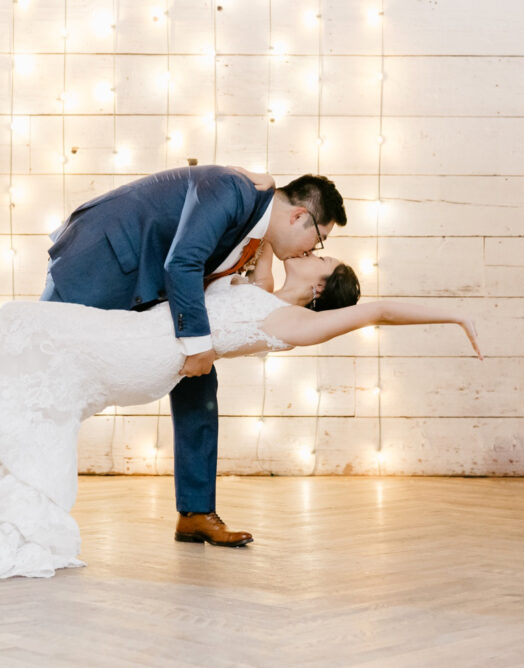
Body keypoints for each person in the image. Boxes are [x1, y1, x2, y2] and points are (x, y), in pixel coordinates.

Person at [0, 254, 482, 580]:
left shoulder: (296, 322)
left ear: (322, 290)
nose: (314, 252)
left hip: (141, 356)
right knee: (20, 358)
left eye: (322, 261)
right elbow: (263, 222)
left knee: (19, 324)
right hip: (131, 336)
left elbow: (375, 311)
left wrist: (456, 317)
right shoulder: (263, 282)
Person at [40, 164, 348, 548]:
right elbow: (183, 262)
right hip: (100, 263)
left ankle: (196, 513)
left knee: (199, 383)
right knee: (42, 380)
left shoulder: (257, 223)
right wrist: (199, 347)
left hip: (151, 289)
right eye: (318, 240)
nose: (312, 250)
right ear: (299, 216)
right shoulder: (232, 190)